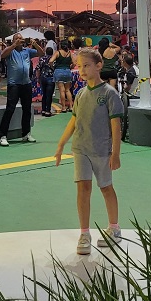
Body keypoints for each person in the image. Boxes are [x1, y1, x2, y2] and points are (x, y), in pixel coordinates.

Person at [54, 48, 123, 254]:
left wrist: (115, 154)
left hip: (101, 150)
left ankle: (114, 228)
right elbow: (73, 121)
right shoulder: (80, 94)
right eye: (79, 66)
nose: (82, 70)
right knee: (83, 189)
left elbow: (116, 126)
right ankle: (84, 233)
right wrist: (61, 144)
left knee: (106, 187)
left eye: (86, 65)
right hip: (80, 149)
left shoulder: (110, 93)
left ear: (99, 66)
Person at [0, 33, 44, 146]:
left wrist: (35, 44)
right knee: (10, 109)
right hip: (14, 84)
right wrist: (14, 45)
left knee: (27, 109)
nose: (19, 40)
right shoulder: (11, 51)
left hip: (26, 83)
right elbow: (3, 55)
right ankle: (2, 136)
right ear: (13, 40)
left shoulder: (27, 51)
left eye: (20, 38)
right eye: (16, 38)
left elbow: (41, 53)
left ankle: (26, 133)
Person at [52, 40, 74, 113]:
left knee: (62, 90)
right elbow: (74, 63)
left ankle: (63, 107)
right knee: (67, 90)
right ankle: (71, 107)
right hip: (67, 71)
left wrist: (53, 67)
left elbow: (50, 61)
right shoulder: (70, 53)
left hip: (59, 71)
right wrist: (70, 67)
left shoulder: (58, 52)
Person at [38, 46, 56, 116]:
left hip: (43, 77)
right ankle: (48, 111)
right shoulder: (54, 59)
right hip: (51, 78)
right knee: (49, 95)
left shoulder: (42, 59)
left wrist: (38, 78)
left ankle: (43, 110)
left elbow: (38, 68)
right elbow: (55, 68)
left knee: (44, 94)